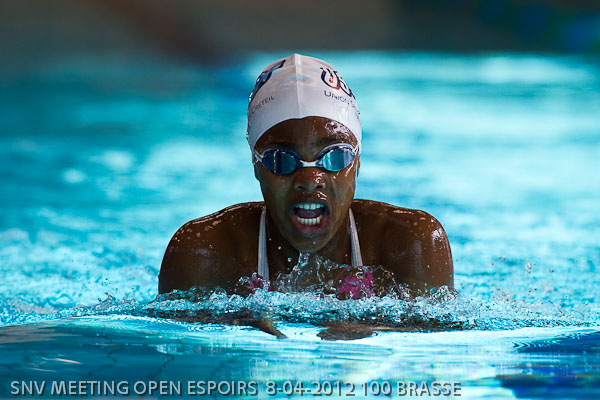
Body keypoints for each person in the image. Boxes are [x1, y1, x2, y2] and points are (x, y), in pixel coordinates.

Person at [159, 54, 453, 298]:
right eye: (281, 160)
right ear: (256, 166)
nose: (310, 179)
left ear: (357, 163)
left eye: (335, 156)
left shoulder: (410, 244)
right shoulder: (204, 253)